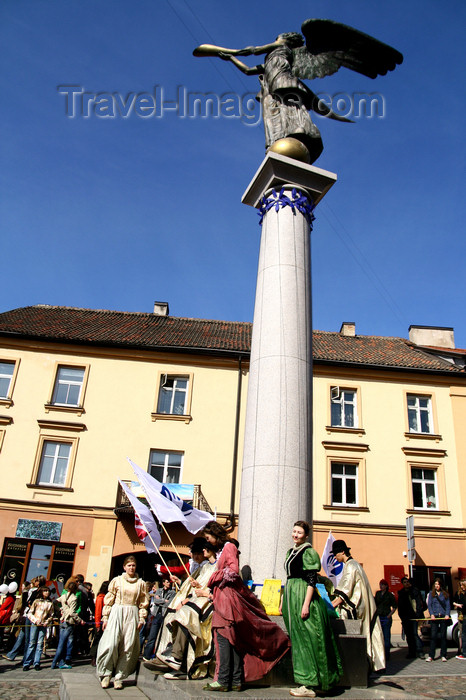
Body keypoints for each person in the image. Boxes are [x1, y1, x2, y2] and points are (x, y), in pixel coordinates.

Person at [200, 522, 290, 693]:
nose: (208, 541)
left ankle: (224, 679)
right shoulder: (225, 549)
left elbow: (233, 571)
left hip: (227, 599)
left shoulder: (229, 547)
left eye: (208, 537)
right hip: (225, 597)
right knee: (232, 638)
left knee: (224, 637)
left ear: (215, 533)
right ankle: (234, 679)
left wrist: (215, 577)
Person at [282, 521, 342, 698]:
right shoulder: (291, 551)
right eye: (294, 531)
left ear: (306, 535)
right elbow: (289, 577)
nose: (296, 535)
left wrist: (306, 604)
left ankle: (310, 682)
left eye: (299, 532)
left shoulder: (308, 552)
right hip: (292, 594)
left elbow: (311, 580)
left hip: (302, 595)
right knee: (299, 639)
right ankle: (305, 680)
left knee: (308, 639)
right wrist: (284, 599)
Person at [156, 540, 218, 679]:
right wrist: (195, 586)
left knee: (185, 616)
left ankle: (179, 660)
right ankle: (169, 654)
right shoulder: (205, 567)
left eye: (200, 551)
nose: (198, 554)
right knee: (172, 615)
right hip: (196, 600)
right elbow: (199, 586)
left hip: (207, 603)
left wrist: (203, 594)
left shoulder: (218, 566)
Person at [331, 540, 385, 673]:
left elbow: (345, 592)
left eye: (335, 554)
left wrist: (330, 606)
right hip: (365, 608)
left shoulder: (350, 567)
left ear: (342, 552)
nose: (335, 557)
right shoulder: (355, 565)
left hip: (358, 610)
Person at [96, 555, 148, 690]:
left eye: (133, 565)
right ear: (124, 567)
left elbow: (143, 602)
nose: (131, 568)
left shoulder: (140, 583)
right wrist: (105, 617)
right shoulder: (117, 581)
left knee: (128, 646)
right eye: (129, 565)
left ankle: (119, 676)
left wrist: (141, 617)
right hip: (117, 612)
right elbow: (110, 598)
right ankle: (106, 674)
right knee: (111, 643)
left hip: (132, 613)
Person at [51, 579, 85, 669]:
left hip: (62, 621)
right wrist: (80, 620)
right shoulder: (74, 598)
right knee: (63, 644)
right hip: (68, 622)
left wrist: (60, 610)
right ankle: (54, 662)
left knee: (61, 643)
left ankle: (60, 662)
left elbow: (54, 602)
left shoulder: (64, 596)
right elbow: (72, 613)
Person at [142, 578, 174, 661]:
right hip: (157, 614)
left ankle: (158, 654)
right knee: (152, 635)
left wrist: (161, 600)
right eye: (167, 582)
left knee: (162, 636)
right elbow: (156, 600)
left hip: (165, 615)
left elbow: (169, 603)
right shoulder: (159, 590)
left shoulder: (173, 593)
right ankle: (147, 655)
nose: (169, 583)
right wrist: (164, 601)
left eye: (169, 582)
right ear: (163, 583)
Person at [23, 586, 54, 671]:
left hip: (43, 625)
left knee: (40, 644)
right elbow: (30, 613)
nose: (47, 593)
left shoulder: (49, 603)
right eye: (45, 591)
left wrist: (46, 622)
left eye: (48, 591)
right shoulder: (36, 601)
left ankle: (37, 662)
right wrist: (35, 620)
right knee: (32, 643)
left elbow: (51, 615)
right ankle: (27, 662)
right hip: (35, 623)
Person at [397, 576, 425, 659]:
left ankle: (420, 651)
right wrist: (401, 616)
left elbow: (419, 604)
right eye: (404, 582)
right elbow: (400, 606)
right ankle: (411, 652)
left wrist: (418, 615)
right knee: (409, 636)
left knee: (415, 634)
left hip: (414, 617)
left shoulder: (414, 591)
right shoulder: (401, 593)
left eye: (407, 582)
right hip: (406, 617)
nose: (406, 584)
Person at [426, 579, 450, 662]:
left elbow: (448, 605)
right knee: (433, 636)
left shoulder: (445, 594)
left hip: (443, 616)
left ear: (441, 585)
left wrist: (447, 614)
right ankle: (431, 655)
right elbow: (429, 605)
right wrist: (431, 614)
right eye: (435, 584)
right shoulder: (431, 594)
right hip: (435, 617)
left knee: (443, 636)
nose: (437, 586)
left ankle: (443, 654)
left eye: (438, 584)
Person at [375, 579, 397, 661]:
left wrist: (389, 615)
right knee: (379, 636)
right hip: (379, 616)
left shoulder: (389, 595)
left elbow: (394, 606)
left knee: (386, 636)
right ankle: (380, 654)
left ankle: (387, 655)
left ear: (386, 586)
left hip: (386, 617)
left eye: (383, 585)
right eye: (380, 584)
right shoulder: (377, 594)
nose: (381, 586)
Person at [90, 580, 109, 666]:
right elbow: (98, 612)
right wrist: (97, 624)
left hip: (106, 623)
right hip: (100, 623)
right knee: (97, 640)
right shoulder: (101, 597)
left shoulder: (107, 597)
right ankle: (94, 658)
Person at [453, 579, 466, 659]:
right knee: (462, 633)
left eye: (463, 585)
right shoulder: (458, 593)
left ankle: (464, 653)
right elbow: (453, 601)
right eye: (460, 585)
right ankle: (460, 649)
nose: (461, 587)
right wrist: (457, 605)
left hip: (465, 614)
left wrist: (463, 606)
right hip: (461, 615)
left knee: (464, 634)